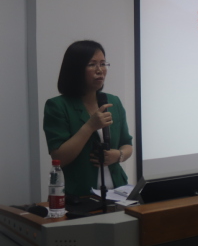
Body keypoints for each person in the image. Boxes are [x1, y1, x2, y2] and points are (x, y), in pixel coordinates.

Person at [43, 40, 133, 196]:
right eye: (92, 64)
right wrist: (90, 126)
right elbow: (59, 158)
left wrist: (118, 155)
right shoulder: (57, 106)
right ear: (75, 69)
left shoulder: (113, 101)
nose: (100, 70)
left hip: (118, 192)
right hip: (80, 195)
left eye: (103, 64)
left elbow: (127, 144)